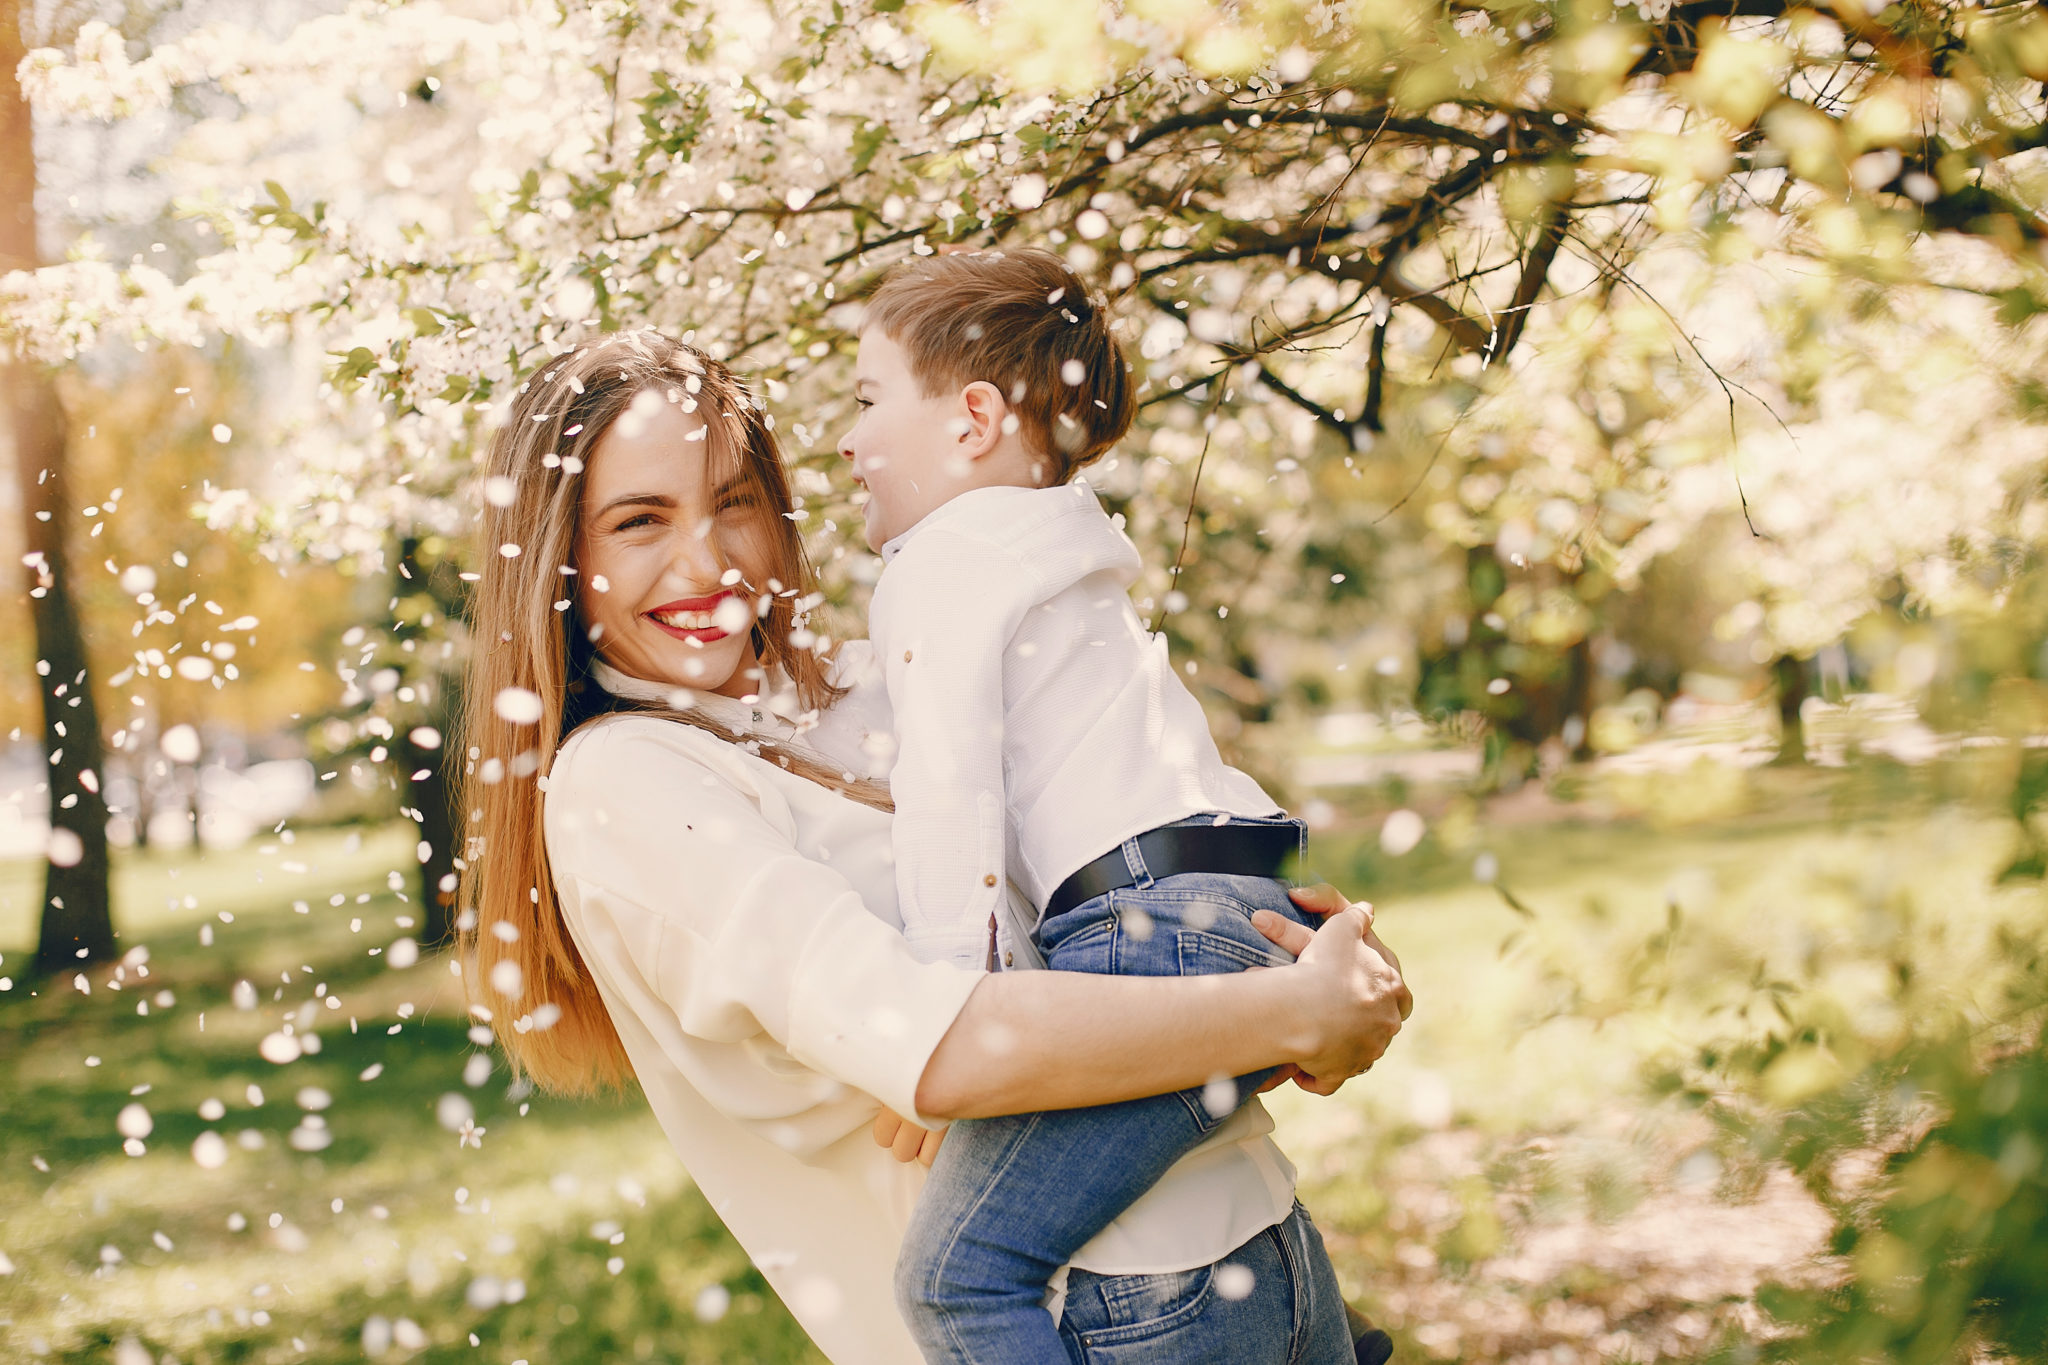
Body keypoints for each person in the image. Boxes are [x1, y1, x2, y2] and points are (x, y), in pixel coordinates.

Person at [456, 328, 1412, 1365]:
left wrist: (1319, 958)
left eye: (734, 501)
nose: (708, 560)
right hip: (1089, 1317)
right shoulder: (623, 786)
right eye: (639, 521)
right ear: (559, 557)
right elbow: (947, 1047)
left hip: (1263, 1245)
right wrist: (1288, 1012)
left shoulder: (874, 687)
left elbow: (1143, 887)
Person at [840, 248, 1359, 1363]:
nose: (847, 439)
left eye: (868, 399)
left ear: (972, 417)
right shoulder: (1059, 561)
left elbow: (947, 802)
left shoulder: (937, 562)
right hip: (1231, 903)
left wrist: (941, 1033)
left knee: (957, 1280)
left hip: (1144, 934)